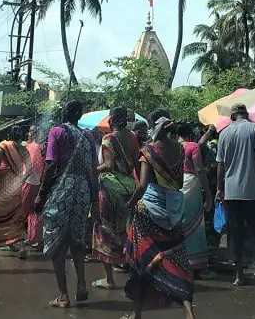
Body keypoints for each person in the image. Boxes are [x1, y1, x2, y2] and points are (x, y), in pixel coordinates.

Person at [124, 116, 195, 319]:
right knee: (177, 260)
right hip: (174, 210)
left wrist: (130, 204)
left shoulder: (149, 151)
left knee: (140, 261)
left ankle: (137, 314)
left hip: (148, 210)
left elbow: (143, 185)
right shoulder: (180, 149)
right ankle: (189, 313)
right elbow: (179, 183)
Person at [35, 100, 98, 309]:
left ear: (65, 113)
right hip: (83, 191)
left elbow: (51, 164)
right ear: (79, 115)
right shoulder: (88, 136)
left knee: (56, 242)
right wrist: (94, 200)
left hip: (62, 190)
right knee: (77, 239)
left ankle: (63, 295)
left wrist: (41, 195)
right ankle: (81, 284)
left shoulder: (56, 132)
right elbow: (93, 170)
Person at [217, 104, 255, 286]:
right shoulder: (254, 129)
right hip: (253, 191)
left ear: (233, 116)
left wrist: (220, 188)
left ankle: (239, 274)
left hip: (232, 192)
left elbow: (220, 165)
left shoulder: (224, 133)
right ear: (246, 114)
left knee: (236, 233)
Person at [91, 106, 139, 289]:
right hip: (129, 187)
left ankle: (109, 279)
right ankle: (129, 271)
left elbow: (109, 166)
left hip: (110, 189)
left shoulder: (108, 138)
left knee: (105, 230)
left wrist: (92, 169)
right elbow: (134, 162)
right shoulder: (133, 137)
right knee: (126, 230)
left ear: (112, 120)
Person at [0, 126, 44, 258]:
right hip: (15, 188)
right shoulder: (24, 149)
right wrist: (20, 179)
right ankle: (18, 246)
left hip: (0, 188)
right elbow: (29, 169)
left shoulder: (5, 147)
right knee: (16, 217)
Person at [177, 122, 212, 274]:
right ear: (190, 134)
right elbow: (199, 168)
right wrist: (208, 192)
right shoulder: (192, 146)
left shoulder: (172, 146)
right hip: (191, 182)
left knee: (179, 221)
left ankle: (179, 260)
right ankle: (196, 263)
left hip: (176, 184)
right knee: (195, 223)